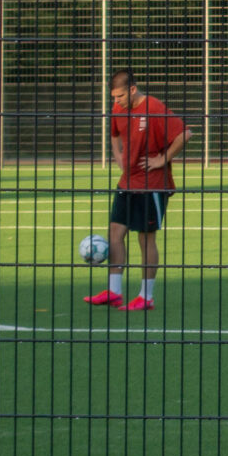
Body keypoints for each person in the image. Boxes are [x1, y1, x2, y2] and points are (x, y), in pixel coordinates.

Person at [91, 69, 187, 313]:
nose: (116, 101)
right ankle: (114, 292)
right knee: (115, 231)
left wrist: (162, 159)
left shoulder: (154, 107)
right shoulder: (118, 108)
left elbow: (185, 134)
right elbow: (113, 134)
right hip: (127, 181)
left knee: (145, 237)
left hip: (152, 184)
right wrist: (118, 154)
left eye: (120, 96)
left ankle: (146, 297)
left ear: (132, 89)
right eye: (113, 97)